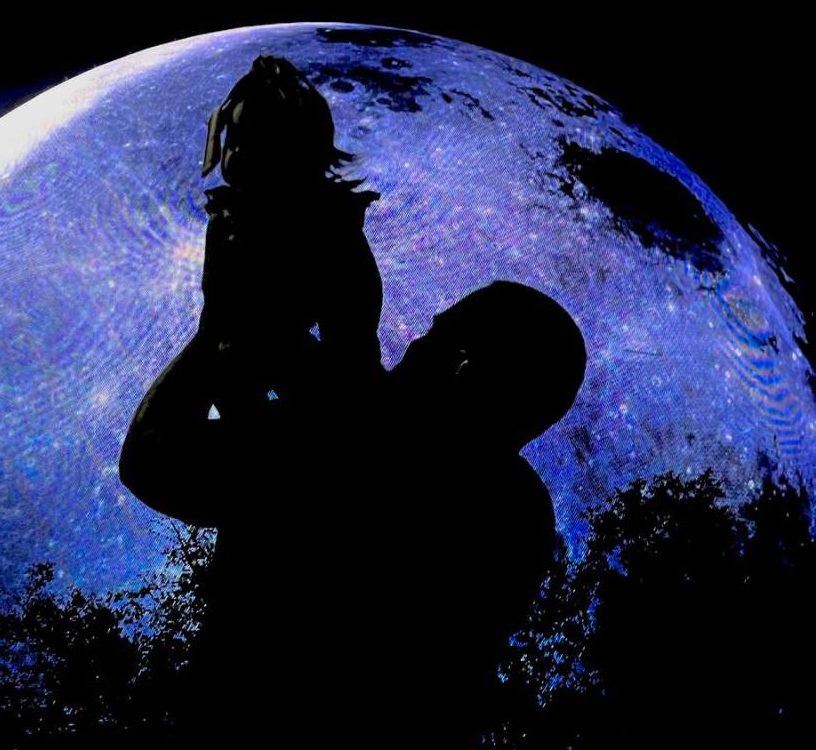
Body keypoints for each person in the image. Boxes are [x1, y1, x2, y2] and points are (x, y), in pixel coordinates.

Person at [119, 55, 385, 736]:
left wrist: (260, 342)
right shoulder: (230, 230)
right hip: (262, 447)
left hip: (308, 465)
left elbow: (355, 374)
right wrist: (226, 341)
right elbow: (222, 342)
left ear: (300, 150)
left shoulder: (332, 236)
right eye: (233, 140)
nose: (239, 158)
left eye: (259, 141)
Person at [385, 280, 587, 739]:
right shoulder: (520, 516)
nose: (416, 347)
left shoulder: (504, 511)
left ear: (470, 376)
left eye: (443, 342)